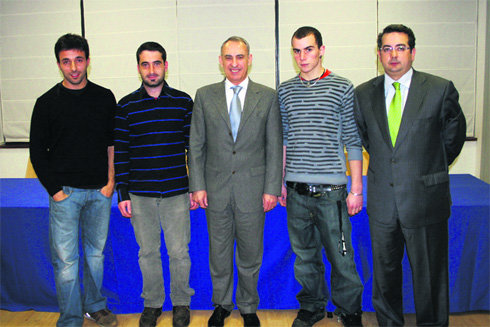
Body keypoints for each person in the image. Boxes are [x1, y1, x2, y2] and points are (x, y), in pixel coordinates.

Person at [354, 24, 466, 326]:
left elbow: (453, 139)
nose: (393, 55)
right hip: (383, 203)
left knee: (430, 278)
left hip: (425, 200)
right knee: (385, 278)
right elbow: (369, 140)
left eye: (400, 48)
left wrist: (424, 167)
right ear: (379, 54)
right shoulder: (363, 94)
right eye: (387, 49)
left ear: (413, 52)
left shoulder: (440, 89)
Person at [188, 36, 283, 327]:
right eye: (228, 57)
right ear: (220, 61)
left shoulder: (267, 97)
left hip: (253, 191)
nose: (234, 63)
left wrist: (271, 188)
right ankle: (221, 304)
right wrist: (198, 185)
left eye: (239, 57)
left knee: (250, 253)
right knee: (218, 252)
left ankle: (249, 306)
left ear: (249, 59)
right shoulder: (204, 96)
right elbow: (196, 145)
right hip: (215, 190)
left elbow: (274, 146)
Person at [277, 26, 364, 327]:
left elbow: (353, 141)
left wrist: (356, 189)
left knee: (341, 256)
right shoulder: (285, 90)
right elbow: (285, 140)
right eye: (297, 51)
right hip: (296, 192)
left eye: (309, 49)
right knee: (305, 257)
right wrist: (282, 182)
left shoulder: (342, 87)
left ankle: (349, 310)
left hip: (333, 193)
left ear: (322, 50)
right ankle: (313, 307)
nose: (302, 57)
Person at [29, 33, 118, 327]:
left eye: (79, 60)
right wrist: (56, 192)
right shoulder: (46, 103)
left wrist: (110, 184)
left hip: (99, 193)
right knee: (66, 264)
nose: (74, 67)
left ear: (88, 61)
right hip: (64, 195)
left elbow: (112, 145)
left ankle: (95, 306)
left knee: (95, 256)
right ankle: (69, 317)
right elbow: (37, 153)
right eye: (66, 62)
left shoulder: (105, 97)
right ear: (59, 64)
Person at [114, 41, 197, 327]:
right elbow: (121, 153)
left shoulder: (184, 102)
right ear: (138, 68)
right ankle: (152, 303)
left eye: (157, 63)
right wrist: (122, 193)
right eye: (145, 64)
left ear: (165, 65)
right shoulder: (125, 106)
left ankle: (181, 303)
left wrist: (196, 186)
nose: (152, 70)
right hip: (140, 194)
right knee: (147, 252)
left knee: (179, 252)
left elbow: (194, 150)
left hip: (176, 192)